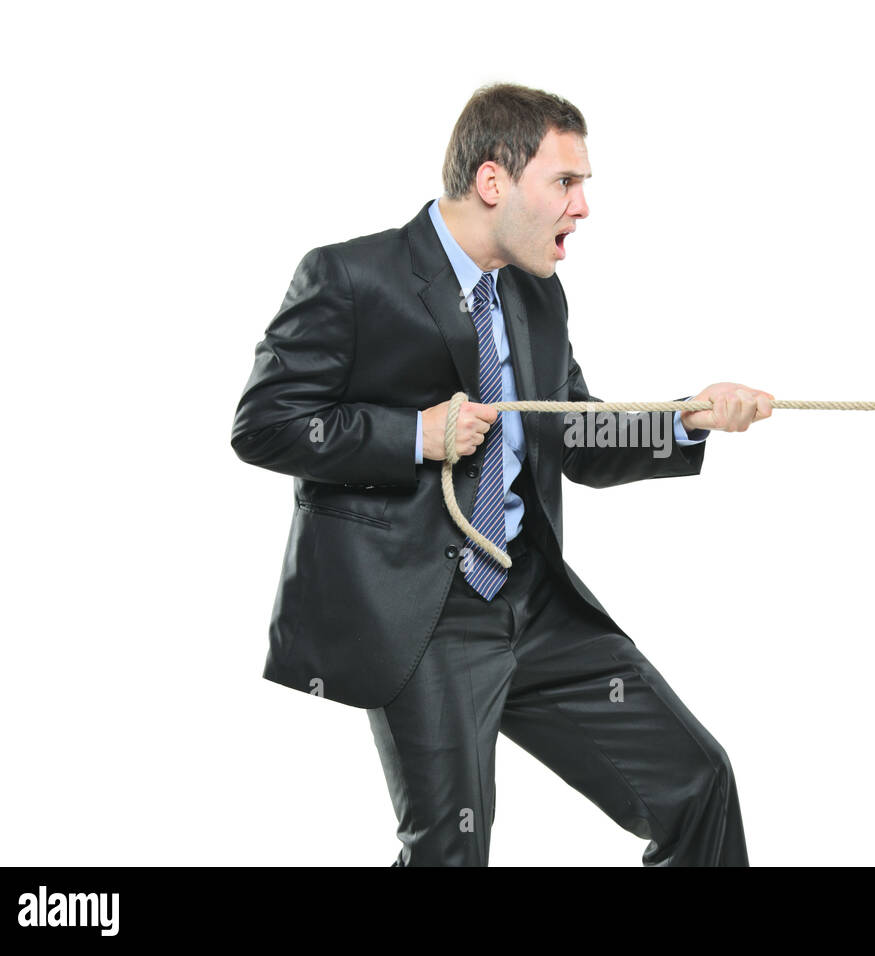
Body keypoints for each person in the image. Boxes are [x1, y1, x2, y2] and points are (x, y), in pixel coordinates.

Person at [230, 82, 773, 865]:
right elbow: (265, 424)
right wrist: (413, 435)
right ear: (493, 182)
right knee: (452, 849)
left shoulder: (537, 296)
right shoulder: (351, 277)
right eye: (565, 182)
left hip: (532, 599)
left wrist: (686, 415)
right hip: (427, 614)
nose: (582, 207)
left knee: (697, 785)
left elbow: (573, 437)